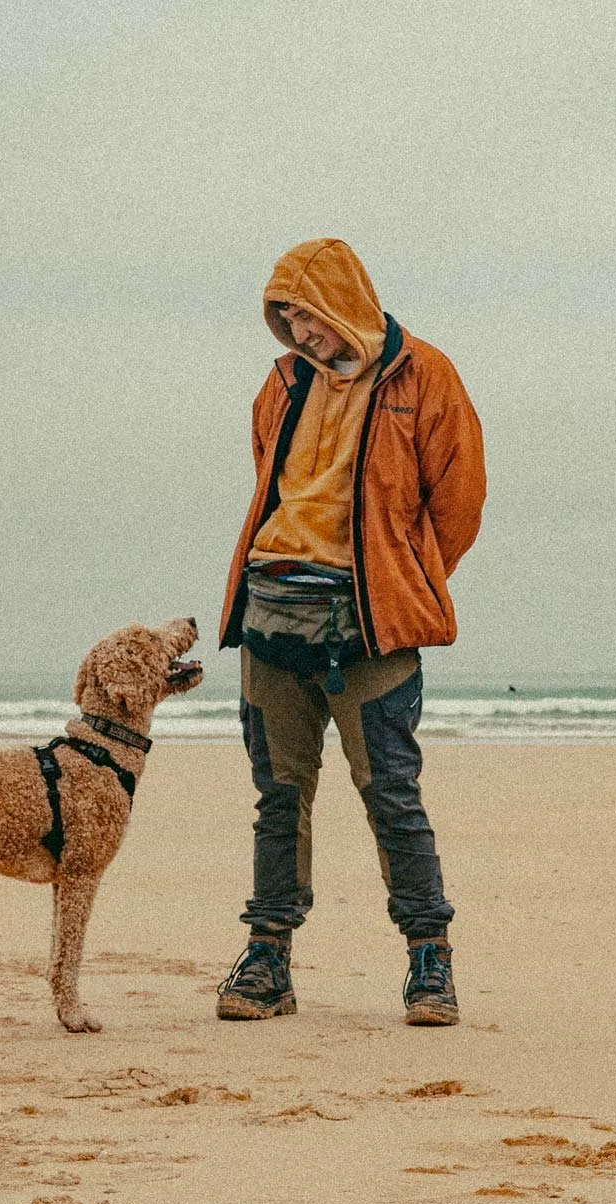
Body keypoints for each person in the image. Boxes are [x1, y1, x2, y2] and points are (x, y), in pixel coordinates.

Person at [213, 237, 486, 1026]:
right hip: (271, 617)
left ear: (343, 299)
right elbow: (270, 476)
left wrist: (403, 575)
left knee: (393, 797)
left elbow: (458, 502)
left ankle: (429, 962)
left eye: (305, 315)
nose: (299, 334)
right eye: (286, 319)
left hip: (371, 631)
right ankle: (268, 959)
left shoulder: (425, 377)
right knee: (278, 799)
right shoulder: (282, 383)